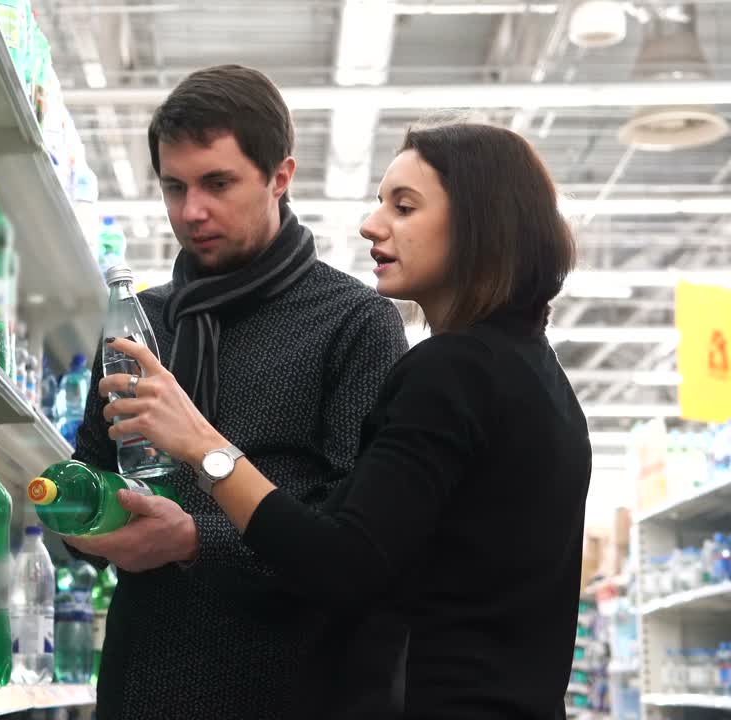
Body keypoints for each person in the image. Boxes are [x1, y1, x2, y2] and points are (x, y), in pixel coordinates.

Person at [94, 121, 591, 719]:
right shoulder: (542, 379)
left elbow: (341, 560)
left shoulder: (448, 368)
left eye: (404, 207)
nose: (371, 224)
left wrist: (203, 447)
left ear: (481, 224)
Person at [62, 65, 409, 719]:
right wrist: (82, 520)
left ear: (280, 176)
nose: (192, 211)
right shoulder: (141, 322)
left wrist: (195, 540)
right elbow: (93, 471)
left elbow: (351, 549)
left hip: (287, 688)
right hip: (141, 686)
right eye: (174, 187)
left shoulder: (354, 323)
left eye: (217, 183)